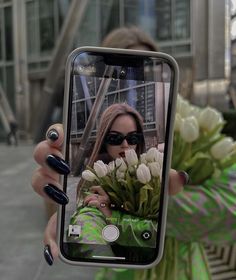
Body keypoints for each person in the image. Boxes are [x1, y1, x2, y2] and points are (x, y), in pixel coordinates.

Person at [31, 26, 236, 279]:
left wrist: (148, 207)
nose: (126, 145)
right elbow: (87, 234)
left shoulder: (196, 125)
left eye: (144, 74)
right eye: (115, 138)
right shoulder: (97, 177)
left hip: (182, 269)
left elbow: (230, 211)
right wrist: (75, 214)